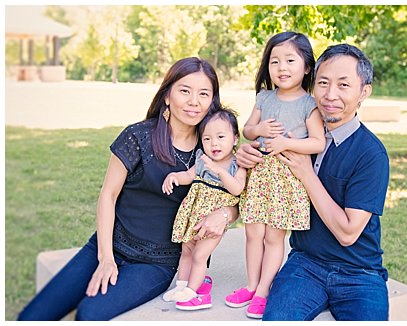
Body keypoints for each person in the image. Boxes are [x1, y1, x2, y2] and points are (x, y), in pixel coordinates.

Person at [17, 57, 238, 321]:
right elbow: (107, 196)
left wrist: (226, 213)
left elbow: (236, 195)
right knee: (35, 315)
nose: (194, 101)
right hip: (110, 245)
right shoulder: (137, 137)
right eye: (184, 90)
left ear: (212, 101)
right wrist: (105, 258)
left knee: (90, 313)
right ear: (167, 95)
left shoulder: (213, 148)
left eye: (204, 93)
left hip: (157, 263)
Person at [235, 43, 390, 321]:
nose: (330, 95)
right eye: (323, 83)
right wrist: (247, 154)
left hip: (359, 273)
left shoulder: (371, 154)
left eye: (344, 85)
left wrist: (306, 173)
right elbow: (255, 179)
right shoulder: (294, 132)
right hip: (305, 265)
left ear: (363, 92)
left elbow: (347, 233)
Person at [227, 31, 326, 319]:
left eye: (290, 60)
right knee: (253, 232)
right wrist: (259, 131)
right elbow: (247, 130)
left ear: (307, 66)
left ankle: (263, 291)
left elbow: (317, 142)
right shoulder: (265, 97)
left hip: (286, 180)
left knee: (273, 237)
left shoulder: (310, 104)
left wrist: (286, 143)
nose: (282, 68)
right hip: (259, 175)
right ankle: (250, 285)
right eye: (275, 61)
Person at [160, 109, 246, 311]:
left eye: (220, 137)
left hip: (213, 220)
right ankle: (181, 285)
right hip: (193, 215)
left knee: (200, 255)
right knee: (186, 251)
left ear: (235, 139)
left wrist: (219, 171)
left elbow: (237, 189)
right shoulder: (201, 159)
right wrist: (175, 177)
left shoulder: (237, 165)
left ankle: (192, 290)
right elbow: (189, 176)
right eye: (207, 138)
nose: (213, 144)